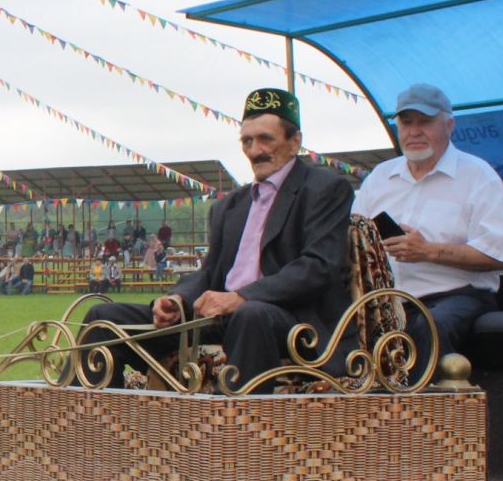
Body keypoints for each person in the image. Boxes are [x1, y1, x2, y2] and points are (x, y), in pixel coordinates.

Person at [83, 88, 352, 390]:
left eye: (266, 139)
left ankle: (246, 432)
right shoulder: (230, 205)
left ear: (295, 142)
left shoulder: (325, 188)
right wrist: (178, 299)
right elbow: (210, 273)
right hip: (222, 317)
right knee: (103, 319)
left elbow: (318, 266)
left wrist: (242, 297)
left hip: (293, 323)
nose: (254, 151)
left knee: (250, 315)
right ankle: (97, 427)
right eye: (247, 141)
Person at [352, 83, 503, 359]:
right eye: (406, 123)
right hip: (385, 300)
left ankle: (419, 404)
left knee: (428, 326)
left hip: (456, 296)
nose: (414, 132)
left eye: (425, 122)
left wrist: (428, 251)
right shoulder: (379, 178)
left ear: (449, 126)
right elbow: (354, 242)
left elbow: (498, 254)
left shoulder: (478, 176)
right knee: (335, 325)